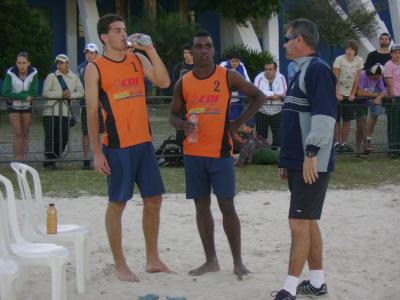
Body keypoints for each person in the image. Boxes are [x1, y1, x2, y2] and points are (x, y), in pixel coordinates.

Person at [169, 30, 266, 279]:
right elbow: (172, 115)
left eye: (208, 46)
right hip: (193, 153)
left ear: (213, 50)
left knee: (227, 207)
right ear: (191, 52)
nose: (203, 50)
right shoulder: (184, 81)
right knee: (201, 207)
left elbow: (259, 96)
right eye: (198, 47)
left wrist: (237, 124)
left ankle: (238, 261)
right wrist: (183, 125)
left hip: (220, 152)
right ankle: (210, 260)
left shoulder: (227, 76)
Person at [84, 13, 173, 282]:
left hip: (144, 143)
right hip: (117, 146)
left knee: (154, 200)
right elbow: (90, 112)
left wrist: (149, 48)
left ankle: (153, 259)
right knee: (117, 204)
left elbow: (164, 82)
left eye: (124, 29)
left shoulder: (137, 58)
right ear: (104, 37)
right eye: (117, 30)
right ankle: (120, 264)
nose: (123, 34)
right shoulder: (95, 67)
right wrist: (97, 153)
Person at [273, 18, 337, 300]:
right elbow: (295, 120)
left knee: (298, 224)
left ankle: (288, 289)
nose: (284, 43)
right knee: (308, 221)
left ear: (300, 40)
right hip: (297, 161)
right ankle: (317, 282)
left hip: (312, 162)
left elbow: (324, 118)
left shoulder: (318, 71)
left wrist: (311, 155)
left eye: (287, 38)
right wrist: (286, 160)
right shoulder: (300, 70)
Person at [42, 54, 84, 170]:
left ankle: (53, 158)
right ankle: (49, 161)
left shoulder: (74, 77)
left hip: (65, 113)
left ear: (67, 64)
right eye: (58, 63)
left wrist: (71, 95)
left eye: (62, 62)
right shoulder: (51, 76)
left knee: (63, 138)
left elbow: (81, 92)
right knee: (50, 138)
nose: (59, 65)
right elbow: (45, 92)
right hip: (50, 112)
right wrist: (61, 95)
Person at [1, 52, 39, 160]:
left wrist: (18, 95)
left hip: (27, 106)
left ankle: (24, 159)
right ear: (16, 63)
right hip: (13, 106)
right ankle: (17, 160)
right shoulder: (10, 73)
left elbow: (34, 91)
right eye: (19, 63)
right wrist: (24, 96)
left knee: (26, 133)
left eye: (24, 63)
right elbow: (5, 92)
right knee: (17, 133)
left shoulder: (34, 72)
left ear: (28, 63)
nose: (21, 65)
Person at [77, 43, 105, 170]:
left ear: (97, 54)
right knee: (86, 132)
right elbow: (79, 87)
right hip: (86, 105)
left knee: (101, 131)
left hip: (102, 105)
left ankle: (101, 155)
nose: (89, 55)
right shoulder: (80, 69)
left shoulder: (103, 66)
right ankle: (86, 158)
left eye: (92, 52)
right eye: (87, 52)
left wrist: (101, 99)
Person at [333, 40, 364, 153]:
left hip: (349, 95)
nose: (349, 51)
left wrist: (353, 93)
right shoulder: (339, 60)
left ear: (355, 50)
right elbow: (335, 77)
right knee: (336, 120)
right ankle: (336, 143)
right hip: (338, 94)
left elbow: (357, 78)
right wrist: (337, 93)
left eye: (351, 49)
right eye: (348, 48)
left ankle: (344, 143)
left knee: (347, 120)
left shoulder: (359, 60)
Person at [364, 33, 392, 147]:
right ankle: (367, 138)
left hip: (391, 90)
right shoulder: (372, 55)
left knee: (392, 116)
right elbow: (366, 71)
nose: (384, 40)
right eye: (382, 39)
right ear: (379, 40)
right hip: (376, 90)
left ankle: (393, 140)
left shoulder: (393, 56)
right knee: (374, 114)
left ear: (390, 41)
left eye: (387, 39)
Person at [254, 61, 287, 149]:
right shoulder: (259, 77)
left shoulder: (281, 77)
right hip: (262, 111)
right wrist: (274, 95)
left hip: (277, 111)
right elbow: (257, 92)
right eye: (266, 69)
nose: (268, 71)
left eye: (270, 69)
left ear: (275, 70)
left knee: (278, 136)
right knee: (261, 136)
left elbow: (284, 92)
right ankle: (263, 153)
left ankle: (274, 155)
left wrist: (268, 95)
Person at [355, 63, 386, 157]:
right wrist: (375, 95)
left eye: (378, 77)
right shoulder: (363, 75)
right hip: (358, 100)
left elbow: (383, 91)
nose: (376, 79)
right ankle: (365, 145)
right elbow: (359, 92)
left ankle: (359, 149)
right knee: (362, 120)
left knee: (361, 123)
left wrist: (378, 98)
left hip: (367, 99)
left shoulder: (379, 77)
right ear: (371, 73)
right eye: (375, 77)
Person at [172, 43, 194, 147]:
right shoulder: (178, 67)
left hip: (195, 102)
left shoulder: (199, 66)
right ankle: (181, 151)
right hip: (181, 102)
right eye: (184, 52)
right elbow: (174, 84)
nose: (186, 55)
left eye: (188, 52)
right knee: (181, 127)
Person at [220, 51, 251, 121]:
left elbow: (247, 80)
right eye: (233, 61)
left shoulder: (241, 65)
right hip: (225, 100)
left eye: (237, 61)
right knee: (226, 121)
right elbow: (220, 80)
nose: (235, 63)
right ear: (229, 60)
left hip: (238, 99)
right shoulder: (223, 65)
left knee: (236, 121)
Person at [383, 43, 400, 158]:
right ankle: (393, 149)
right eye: (395, 52)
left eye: (399, 52)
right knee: (394, 124)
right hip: (394, 99)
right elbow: (389, 84)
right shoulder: (388, 65)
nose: (398, 54)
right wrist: (393, 98)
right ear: (391, 54)